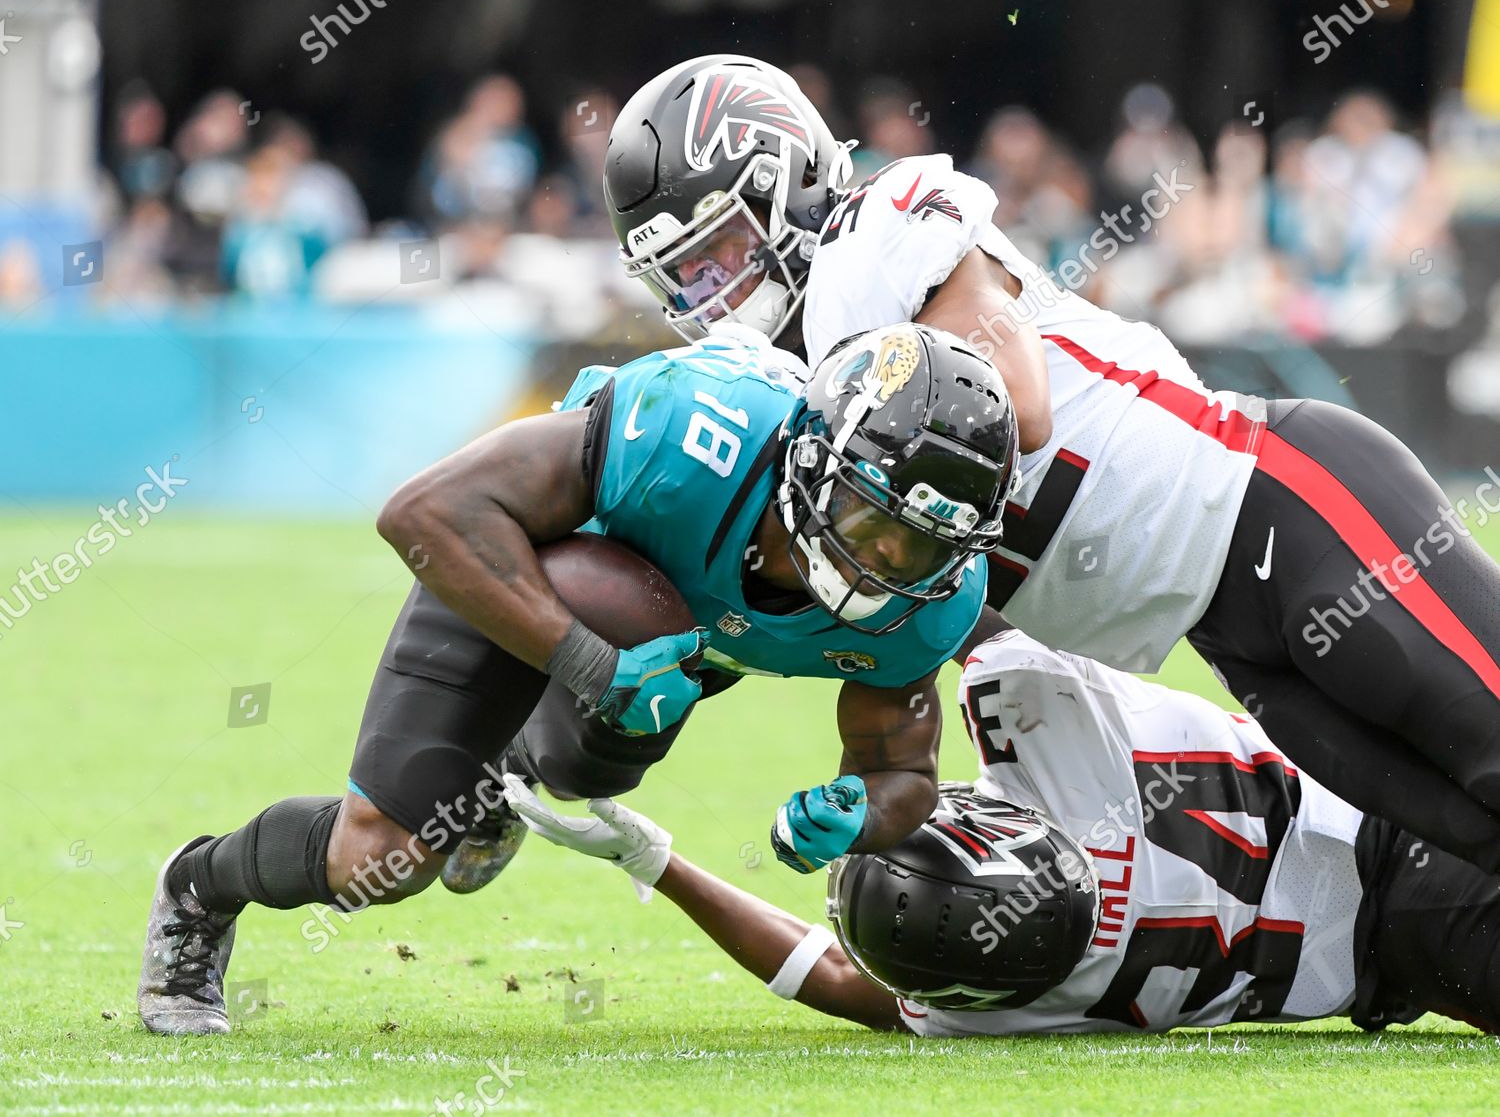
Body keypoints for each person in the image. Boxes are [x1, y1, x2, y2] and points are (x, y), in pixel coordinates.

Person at [567, 53, 1500, 886]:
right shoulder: (779, 383)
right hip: (1223, 628)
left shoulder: (874, 234)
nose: (711, 294)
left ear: (792, 182)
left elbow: (1012, 406)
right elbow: (868, 607)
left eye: (721, 250)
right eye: (681, 277)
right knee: (1468, 830)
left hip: (1285, 509)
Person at [135, 320, 1019, 1034]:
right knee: (387, 857)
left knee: (593, 757)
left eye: (929, 544)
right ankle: (198, 886)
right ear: (815, 459)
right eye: (875, 520)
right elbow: (425, 512)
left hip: (663, 644)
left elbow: (902, 771)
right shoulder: (693, 433)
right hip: (522, 571)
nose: (892, 563)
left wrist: (858, 812)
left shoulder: (930, 603)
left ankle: (505, 776)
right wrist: (592, 662)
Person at [507, 629, 1500, 1035]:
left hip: (1408, 960)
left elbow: (840, 983)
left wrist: (661, 862)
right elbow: (932, 593)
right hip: (1387, 789)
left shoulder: (990, 1000)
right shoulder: (1033, 724)